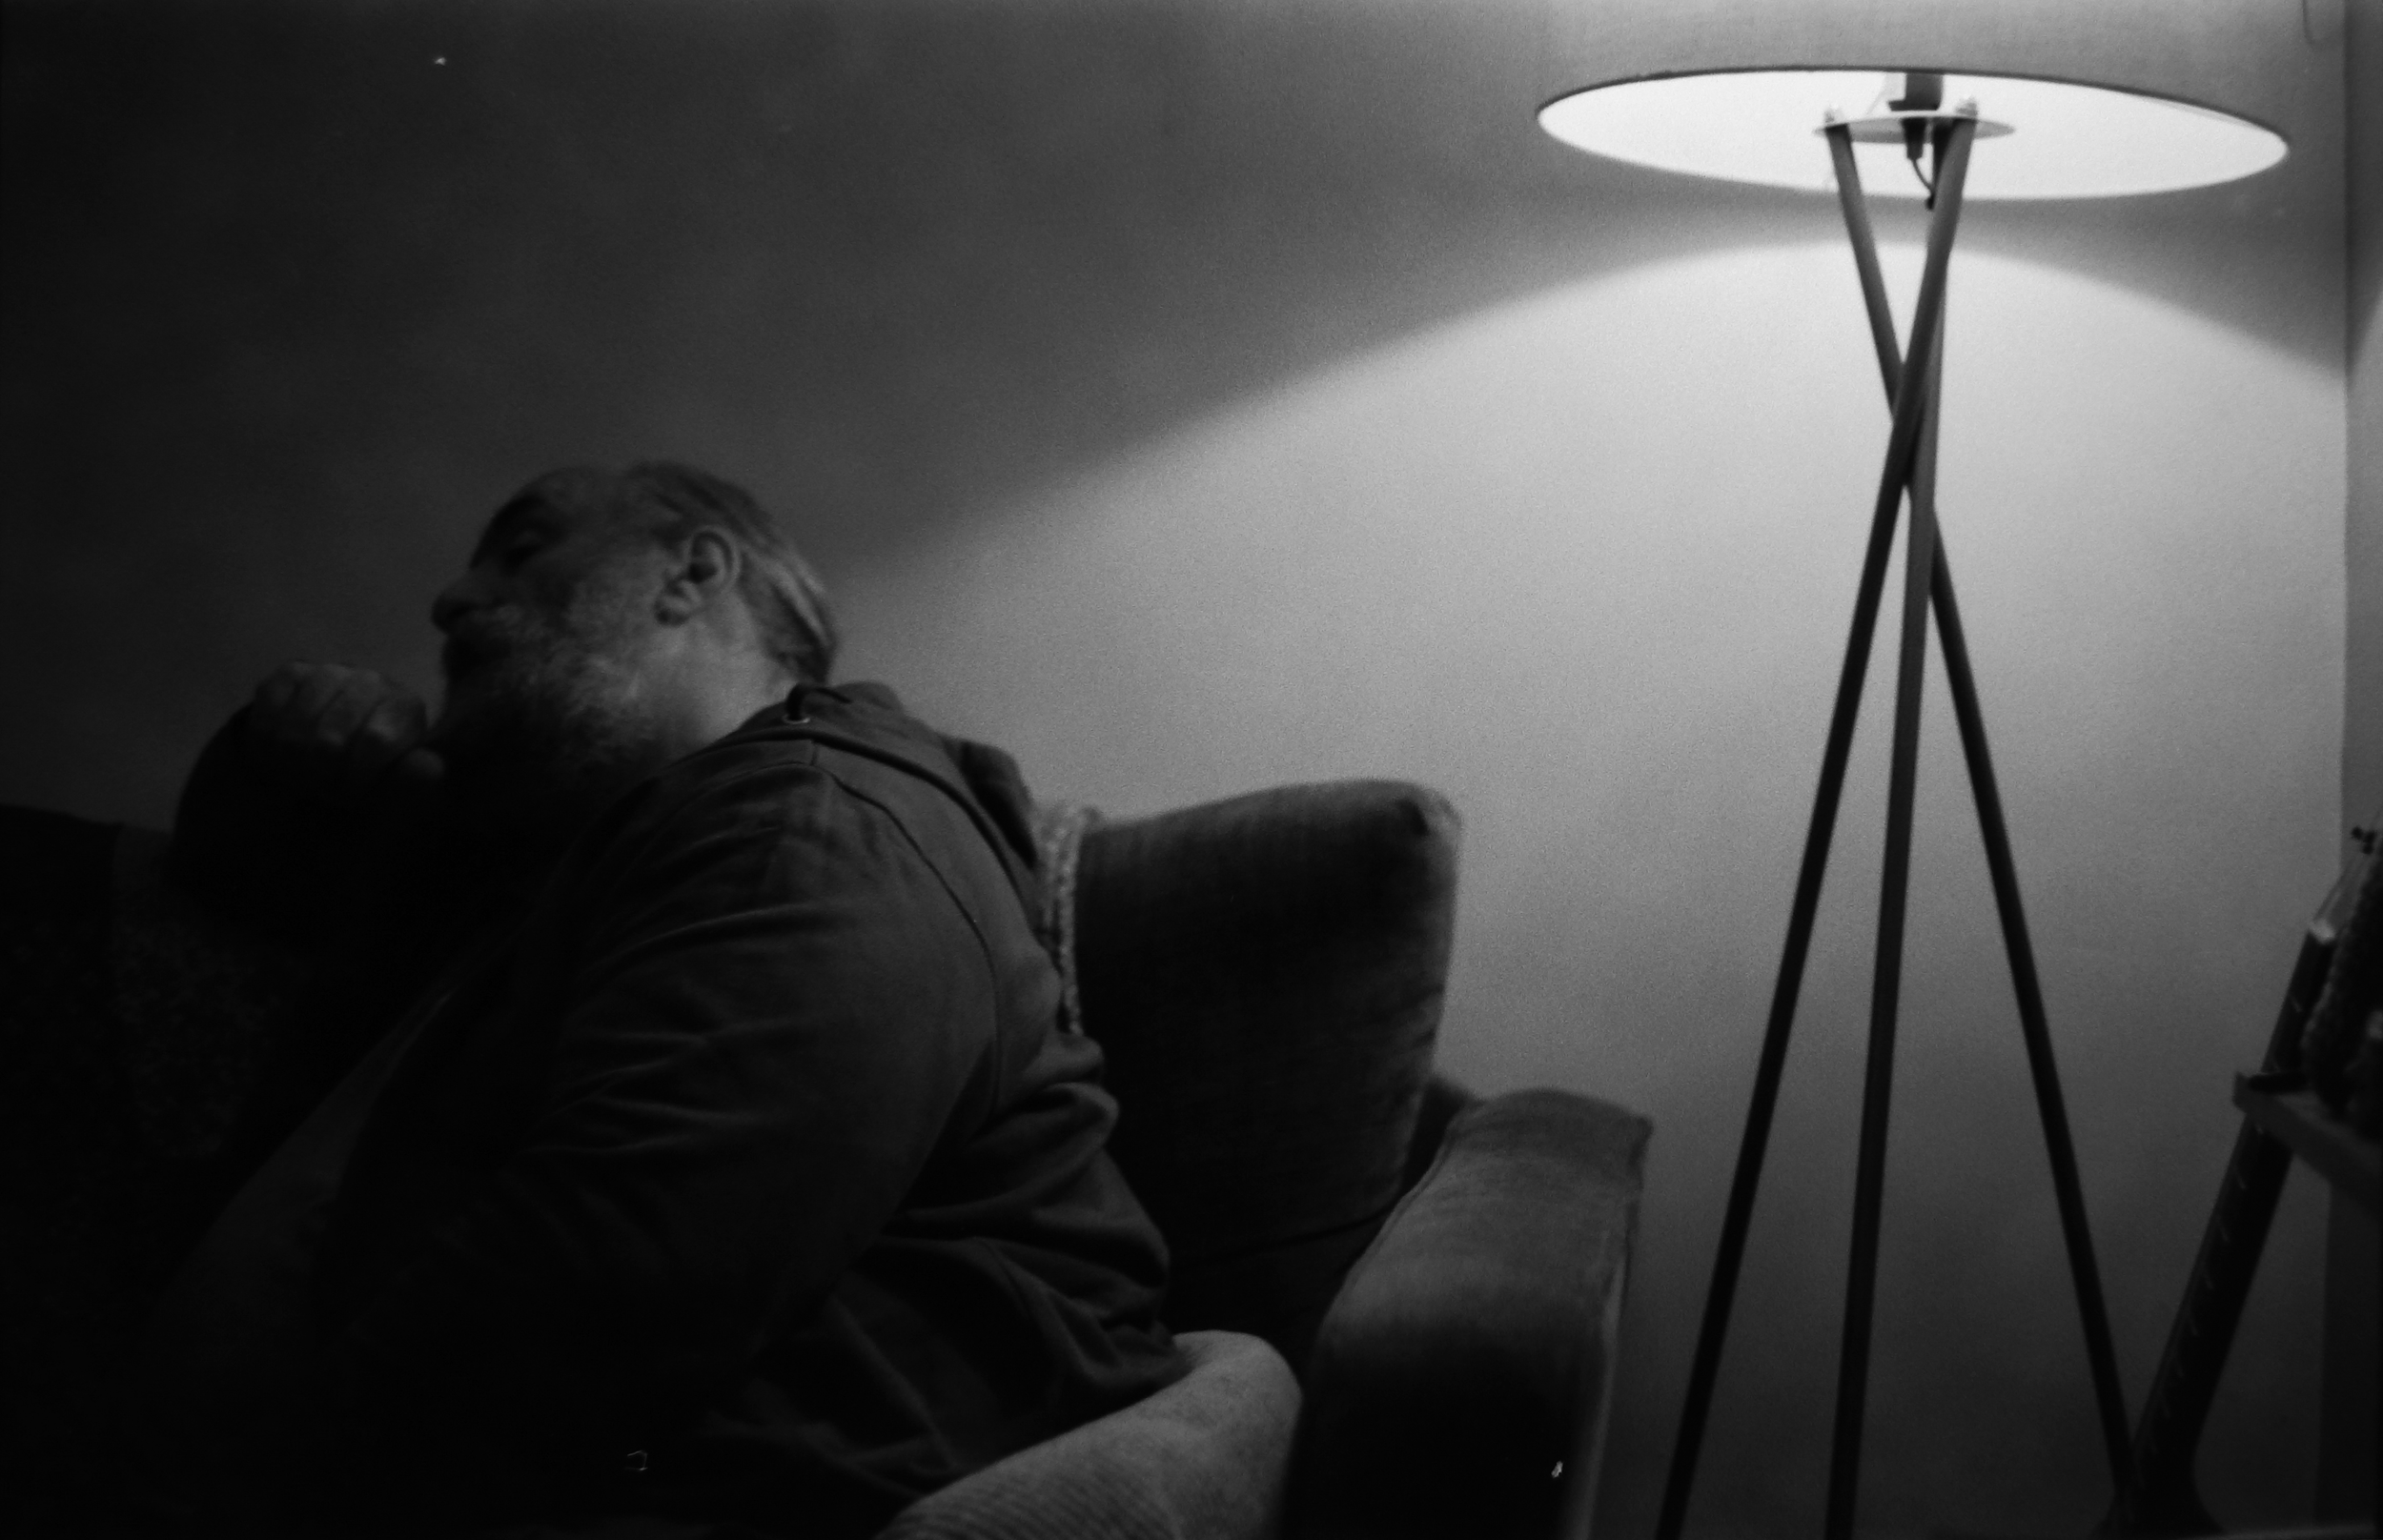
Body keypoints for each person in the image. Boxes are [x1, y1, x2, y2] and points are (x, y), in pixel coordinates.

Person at [121, 462, 1177, 1538]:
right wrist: (279, 751)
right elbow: (235, 885)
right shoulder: (522, 874)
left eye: (523, 548)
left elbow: (606, 1290)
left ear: (692, 572)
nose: (449, 601)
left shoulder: (806, 822)